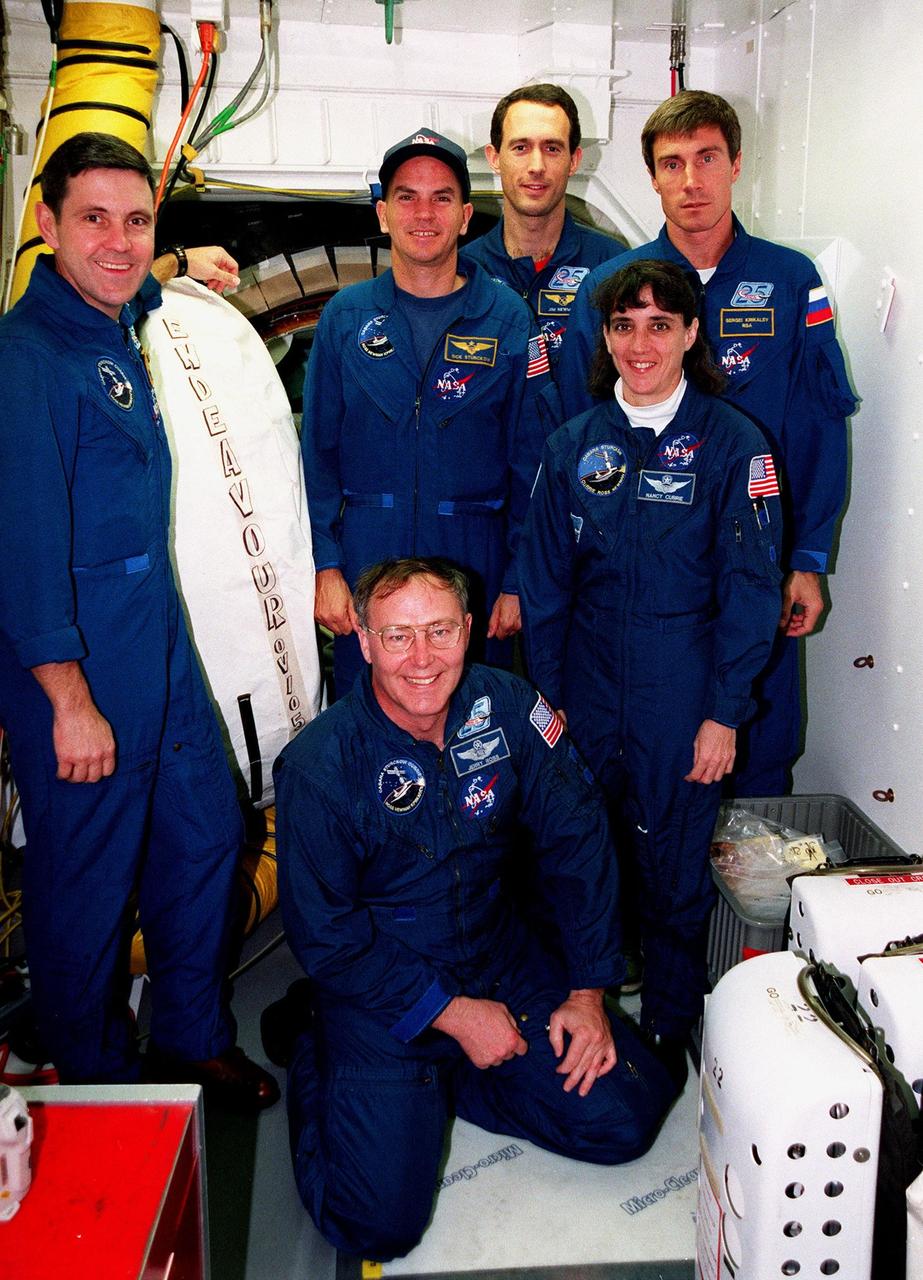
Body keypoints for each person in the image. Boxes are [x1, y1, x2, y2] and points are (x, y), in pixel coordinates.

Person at [266, 556, 677, 1261]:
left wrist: (586, 990)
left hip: (496, 955)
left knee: (625, 1118)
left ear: (468, 629)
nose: (421, 660)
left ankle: (449, 1078)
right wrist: (450, 1014)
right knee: (377, 1226)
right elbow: (328, 938)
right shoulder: (318, 766)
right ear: (362, 641)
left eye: (439, 631)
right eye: (397, 637)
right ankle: (315, 1049)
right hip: (380, 984)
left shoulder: (511, 708)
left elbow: (577, 840)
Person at [0, 132, 278, 1108]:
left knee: (205, 834)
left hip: (158, 644)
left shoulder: (109, 313)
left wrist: (175, 266)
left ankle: (194, 1033)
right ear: (46, 224)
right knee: (83, 887)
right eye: (93, 220)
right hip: (77, 664)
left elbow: (133, 277)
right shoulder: (26, 362)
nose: (118, 243)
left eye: (137, 221)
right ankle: (97, 1085)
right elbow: (23, 553)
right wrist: (69, 702)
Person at [518, 261, 783, 1071]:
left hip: (685, 692)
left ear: (691, 333)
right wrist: (546, 708)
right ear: (604, 337)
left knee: (674, 872)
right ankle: (583, 1011)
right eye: (624, 325)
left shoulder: (734, 444)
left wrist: (724, 713)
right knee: (576, 855)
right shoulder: (572, 447)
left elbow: (751, 590)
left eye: (660, 324)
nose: (641, 343)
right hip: (587, 689)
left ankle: (669, 1029)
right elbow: (544, 592)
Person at [557, 91, 857, 795]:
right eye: (671, 164)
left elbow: (818, 428)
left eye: (706, 159)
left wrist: (807, 560)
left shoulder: (789, 281)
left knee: (759, 738)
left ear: (735, 165)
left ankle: (749, 902)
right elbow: (572, 437)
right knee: (650, 759)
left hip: (757, 563)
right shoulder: (610, 288)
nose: (690, 181)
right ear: (651, 178)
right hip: (645, 572)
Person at [301, 127, 550, 696]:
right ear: (383, 214)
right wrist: (325, 566)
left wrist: (516, 580)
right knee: (366, 725)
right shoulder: (346, 317)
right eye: (407, 197)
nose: (424, 212)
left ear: (465, 216)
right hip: (368, 559)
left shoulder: (507, 319)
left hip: (474, 565)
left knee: (474, 728)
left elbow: (531, 463)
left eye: (441, 197)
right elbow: (316, 457)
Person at [460, 83, 622, 367]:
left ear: (573, 160)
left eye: (552, 148)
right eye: (521, 147)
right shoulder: (464, 272)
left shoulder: (614, 267)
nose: (537, 165)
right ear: (495, 158)